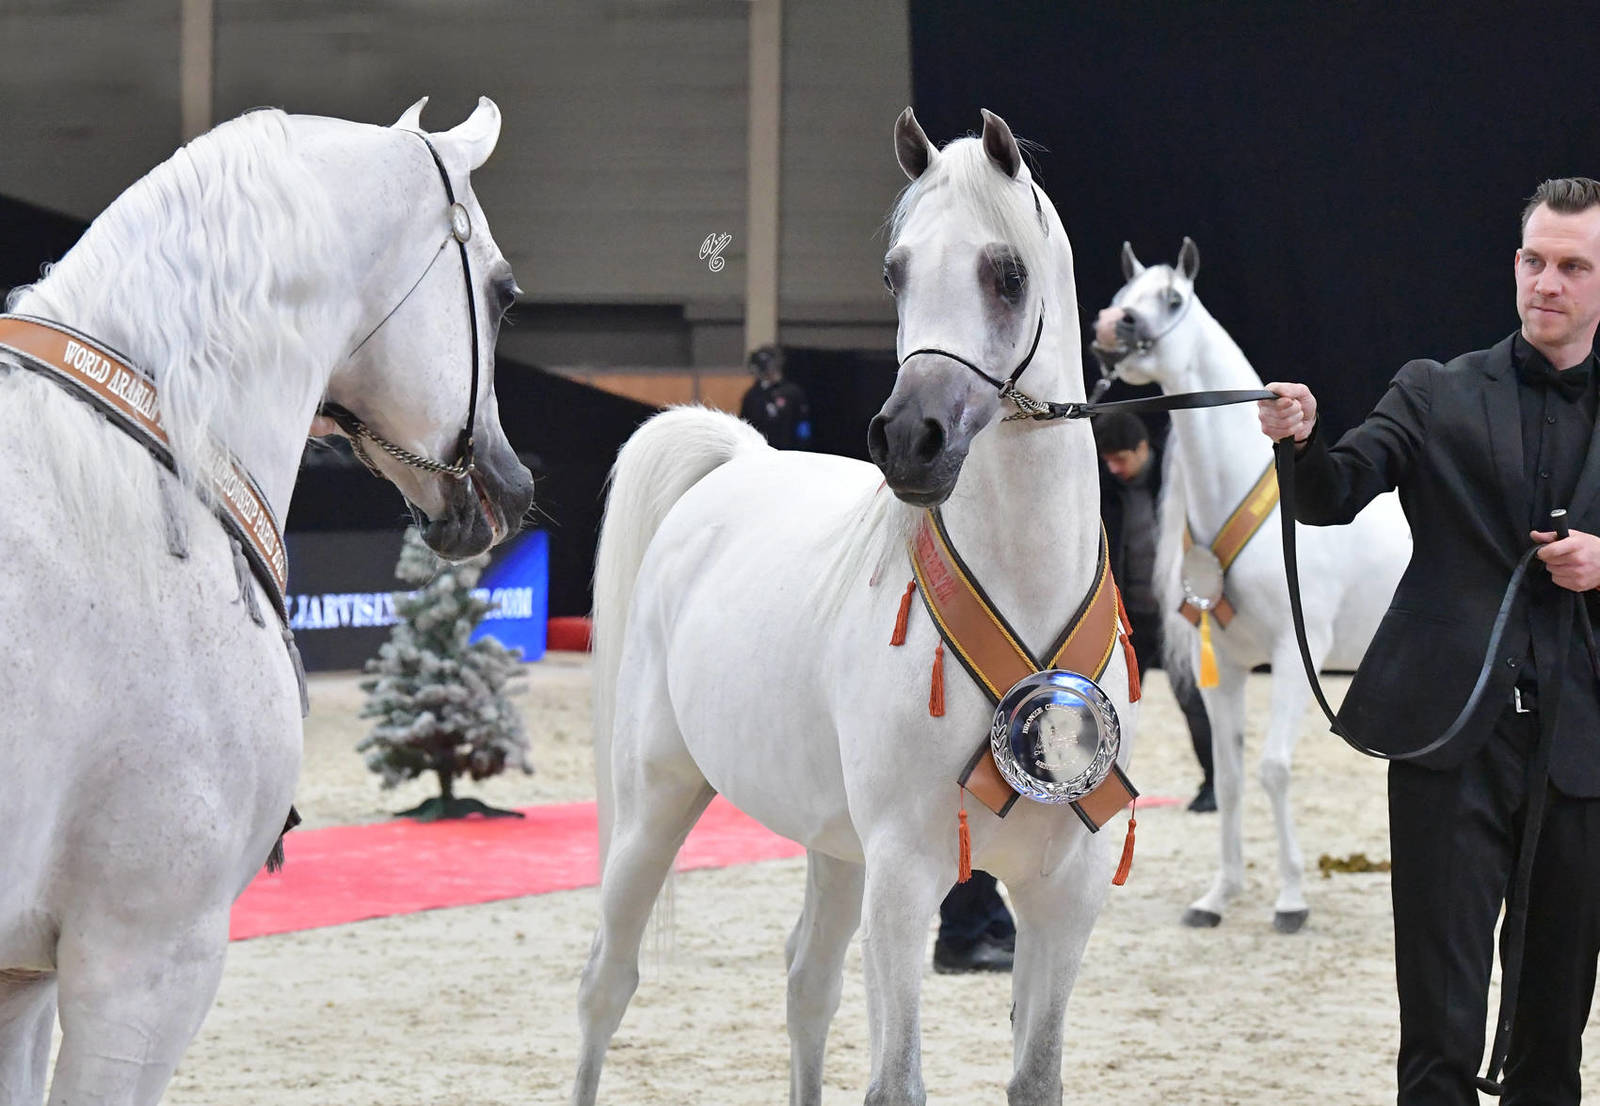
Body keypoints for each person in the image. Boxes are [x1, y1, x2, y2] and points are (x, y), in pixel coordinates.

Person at [1257, 177, 1600, 1104]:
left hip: (1583, 756)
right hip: (1453, 744)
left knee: (1552, 1035)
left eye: (1573, 266)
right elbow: (1332, 493)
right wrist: (1298, 442)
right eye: (1535, 261)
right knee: (1439, 1035)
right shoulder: (1435, 390)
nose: (1548, 284)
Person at [1093, 411, 1216, 812]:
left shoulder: (1179, 485)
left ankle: (1215, 785)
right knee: (1110, 704)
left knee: (1194, 703)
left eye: (1122, 459)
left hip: (1175, 618)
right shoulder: (1103, 490)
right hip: (1126, 619)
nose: (1114, 468)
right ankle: (1097, 784)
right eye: (1108, 460)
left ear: (1144, 449)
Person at [739, 344, 811, 448]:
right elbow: (744, 425)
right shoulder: (752, 395)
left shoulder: (793, 392)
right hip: (760, 452)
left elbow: (803, 424)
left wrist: (803, 448)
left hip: (788, 452)